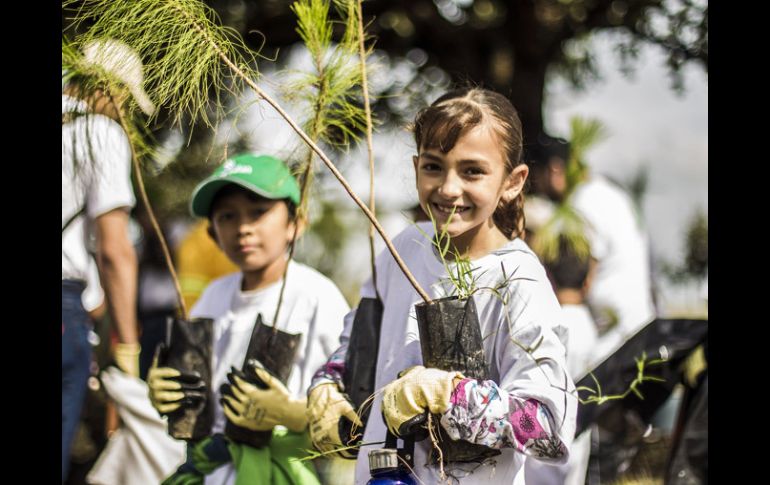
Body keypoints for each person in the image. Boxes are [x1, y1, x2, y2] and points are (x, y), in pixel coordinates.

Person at [306, 88, 577, 484]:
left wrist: (450, 395)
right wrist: (327, 385)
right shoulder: (402, 249)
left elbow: (547, 428)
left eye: (472, 171)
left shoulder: (519, 281)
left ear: (513, 181)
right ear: (416, 167)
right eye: (434, 167)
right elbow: (356, 345)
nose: (449, 188)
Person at [148, 153, 350, 485]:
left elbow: (352, 402)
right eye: (227, 216)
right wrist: (167, 393)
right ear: (212, 232)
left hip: (284, 473)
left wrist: (296, 414)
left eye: (258, 212)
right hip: (210, 470)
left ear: (295, 223)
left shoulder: (316, 296)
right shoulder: (213, 296)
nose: (243, 228)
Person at [62, 38, 152, 481]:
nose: (122, 113)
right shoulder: (98, 132)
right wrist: (128, 349)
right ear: (108, 88)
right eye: (124, 102)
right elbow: (115, 251)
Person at [528, 136, 656, 365]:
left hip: (615, 339)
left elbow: (580, 268)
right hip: (637, 327)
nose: (538, 187)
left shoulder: (583, 202)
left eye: (537, 177)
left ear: (554, 170)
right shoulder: (607, 192)